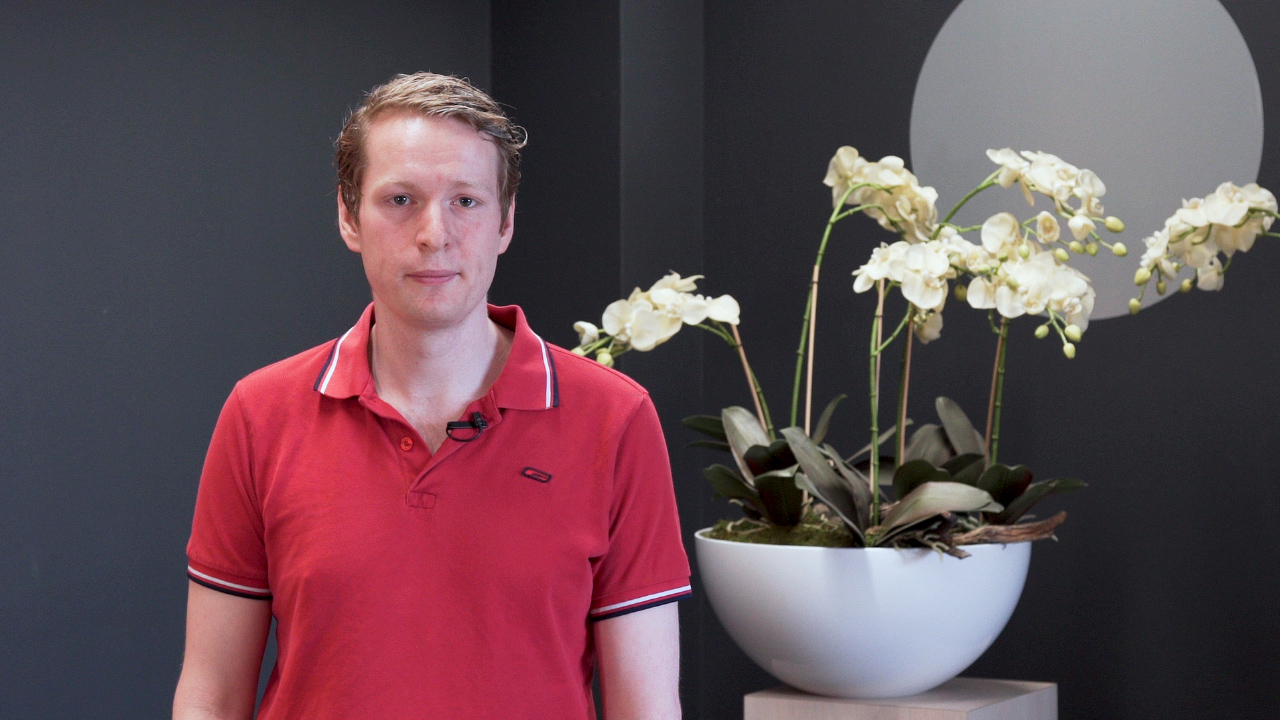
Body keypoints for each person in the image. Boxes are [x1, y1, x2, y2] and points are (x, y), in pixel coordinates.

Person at [172, 72, 690, 720]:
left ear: (505, 222)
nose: (433, 233)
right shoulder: (260, 414)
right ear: (348, 216)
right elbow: (212, 695)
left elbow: (646, 707)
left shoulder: (614, 419)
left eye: (466, 201)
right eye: (400, 199)